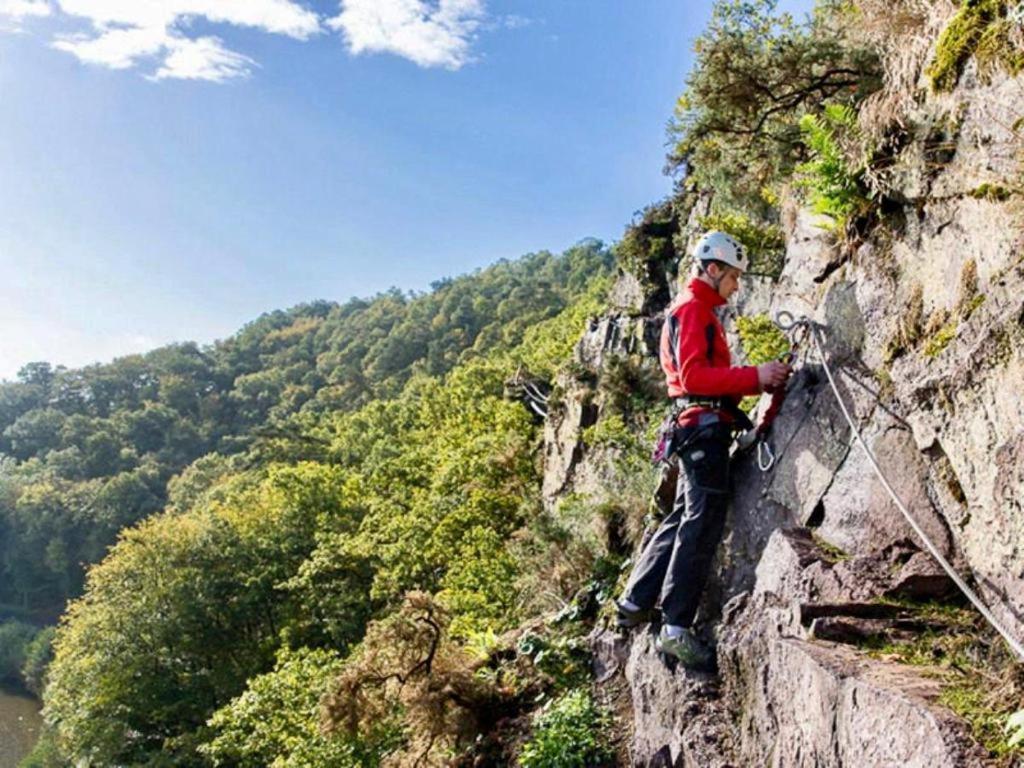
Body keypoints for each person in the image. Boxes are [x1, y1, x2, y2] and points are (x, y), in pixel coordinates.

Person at [615, 230, 791, 667]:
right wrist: (756, 376)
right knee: (701, 521)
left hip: (696, 427)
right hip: (702, 430)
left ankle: (636, 600)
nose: (737, 286)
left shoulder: (691, 310)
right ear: (712, 269)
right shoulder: (693, 311)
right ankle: (675, 626)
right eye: (733, 276)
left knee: (681, 517)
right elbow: (694, 378)